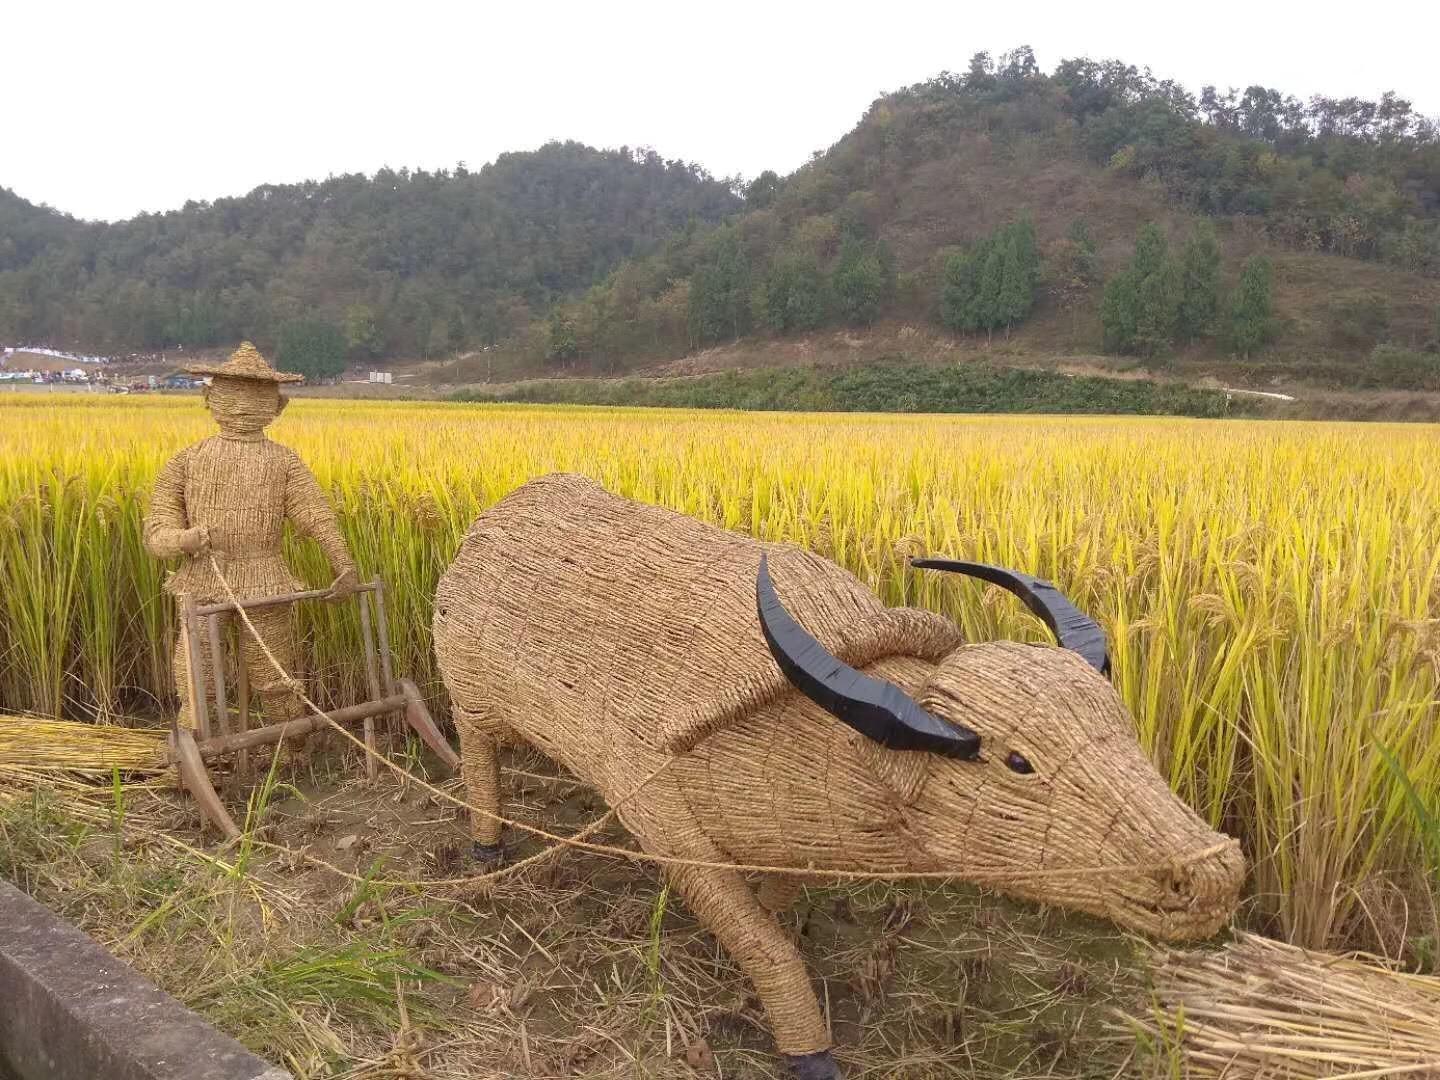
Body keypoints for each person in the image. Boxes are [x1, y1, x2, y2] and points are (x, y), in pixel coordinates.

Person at [143, 342, 358, 755]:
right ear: (209, 399)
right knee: (197, 679)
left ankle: (297, 749)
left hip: (265, 582)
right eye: (233, 394)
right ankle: (196, 754)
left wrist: (343, 564)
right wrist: (183, 540)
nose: (242, 405)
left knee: (275, 677)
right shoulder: (187, 462)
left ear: (277, 407)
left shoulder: (283, 462)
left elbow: (315, 515)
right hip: (203, 580)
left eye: (254, 395)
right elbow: (157, 533)